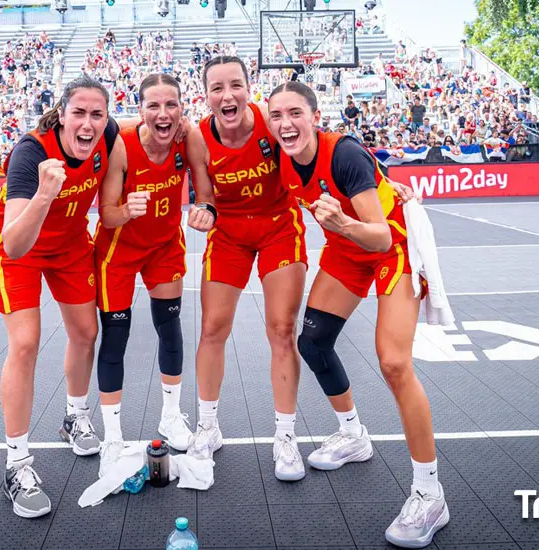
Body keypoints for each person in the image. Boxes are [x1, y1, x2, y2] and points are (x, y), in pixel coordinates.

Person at [267, 81, 448, 548]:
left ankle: (430, 493)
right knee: (312, 341)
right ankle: (353, 435)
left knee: (393, 363)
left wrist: (342, 222)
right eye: (277, 116)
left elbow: (381, 236)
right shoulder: (282, 157)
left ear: (314, 116)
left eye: (295, 114)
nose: (286, 124)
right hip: (346, 249)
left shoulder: (341, 155)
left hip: (390, 247)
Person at [0, 75, 121, 518]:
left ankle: (74, 417)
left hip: (69, 244)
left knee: (86, 332)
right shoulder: (32, 152)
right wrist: (45, 193)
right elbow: (16, 243)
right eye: (78, 113)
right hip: (18, 244)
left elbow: (139, 125)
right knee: (25, 343)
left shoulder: (110, 135)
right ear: (61, 115)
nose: (88, 123)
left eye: (96, 114)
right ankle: (17, 462)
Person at [185, 56, 310, 482]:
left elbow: (321, 151)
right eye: (216, 88)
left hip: (278, 226)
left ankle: (286, 436)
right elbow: (206, 196)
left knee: (281, 330)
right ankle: (207, 426)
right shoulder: (198, 136)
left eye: (235, 85)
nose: (227, 95)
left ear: (249, 87)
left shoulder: (272, 124)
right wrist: (202, 211)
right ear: (205, 96)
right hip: (230, 233)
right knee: (212, 329)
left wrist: (382, 183)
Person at [94, 73, 215, 476]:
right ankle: (113, 437)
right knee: (116, 335)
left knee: (170, 325)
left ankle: (171, 415)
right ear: (140, 109)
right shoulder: (123, 145)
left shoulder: (188, 137)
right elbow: (106, 214)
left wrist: (205, 211)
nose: (163, 114)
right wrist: (126, 210)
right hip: (120, 251)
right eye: (153, 106)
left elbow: (205, 192)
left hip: (164, 245)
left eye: (171, 105)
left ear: (182, 108)